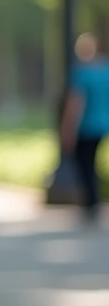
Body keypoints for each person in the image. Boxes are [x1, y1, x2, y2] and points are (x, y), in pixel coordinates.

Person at [61, 33, 109, 224]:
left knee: (85, 164)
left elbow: (75, 103)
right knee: (92, 163)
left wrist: (67, 129)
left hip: (86, 126)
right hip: (103, 124)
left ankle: (91, 203)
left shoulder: (81, 73)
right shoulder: (105, 70)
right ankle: (93, 202)